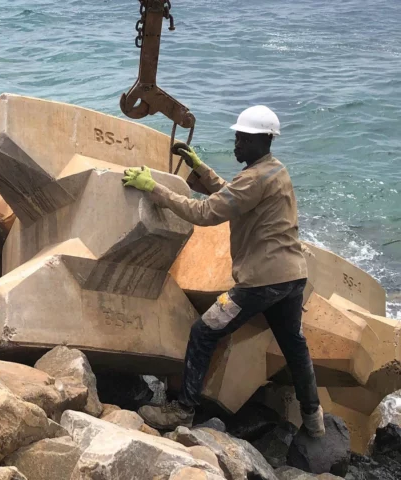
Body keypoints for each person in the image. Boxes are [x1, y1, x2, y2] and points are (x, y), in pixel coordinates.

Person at [122, 105, 325, 437]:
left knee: (204, 332)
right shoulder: (274, 171)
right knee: (294, 344)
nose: (236, 144)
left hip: (261, 283)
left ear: (262, 140)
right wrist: (200, 168)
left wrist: (153, 188)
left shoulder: (253, 179)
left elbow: (204, 213)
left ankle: (183, 410)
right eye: (236, 138)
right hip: (292, 278)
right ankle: (314, 418)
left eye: (242, 139)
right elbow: (234, 196)